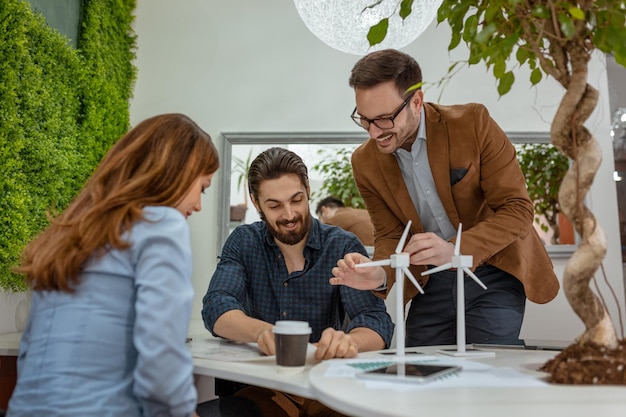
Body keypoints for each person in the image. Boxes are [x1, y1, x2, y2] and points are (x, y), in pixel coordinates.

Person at [331, 49, 560, 347]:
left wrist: (456, 249)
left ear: (416, 101)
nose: (374, 133)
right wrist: (380, 274)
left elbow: (517, 209)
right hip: (430, 280)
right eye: (364, 120)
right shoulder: (365, 162)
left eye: (385, 119)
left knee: (484, 370)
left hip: (494, 269)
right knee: (420, 371)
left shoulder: (472, 123)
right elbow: (390, 234)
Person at [7, 114, 220, 417]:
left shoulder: (70, 234)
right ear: (177, 172)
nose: (199, 205)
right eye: (202, 187)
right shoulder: (162, 225)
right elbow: (161, 363)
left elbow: (29, 355)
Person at [201, 147, 393, 417]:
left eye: (296, 200)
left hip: (325, 388)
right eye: (275, 205)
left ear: (308, 191)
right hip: (264, 387)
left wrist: (349, 342)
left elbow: (375, 321)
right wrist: (263, 333)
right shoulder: (244, 242)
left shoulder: (342, 245)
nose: (290, 214)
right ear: (256, 203)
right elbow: (216, 307)